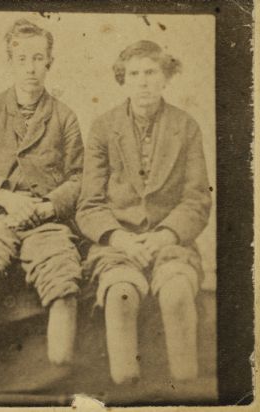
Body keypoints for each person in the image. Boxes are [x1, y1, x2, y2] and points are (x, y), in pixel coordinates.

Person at [76, 40, 212, 384]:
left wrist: (165, 235)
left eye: (151, 72)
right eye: (134, 73)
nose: (143, 81)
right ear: (123, 79)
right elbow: (89, 204)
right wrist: (120, 238)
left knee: (178, 291)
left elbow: (196, 199)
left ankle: (186, 390)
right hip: (118, 244)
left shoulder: (186, 126)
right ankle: (127, 389)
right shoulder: (104, 128)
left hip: (170, 241)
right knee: (121, 294)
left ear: (166, 76)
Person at [0, 19, 83, 365]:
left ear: (49, 63)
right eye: (22, 58)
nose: (30, 68)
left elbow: (78, 177)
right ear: (9, 62)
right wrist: (5, 197)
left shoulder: (64, 117)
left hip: (45, 220)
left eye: (38, 58)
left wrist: (48, 207)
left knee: (63, 279)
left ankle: (60, 372)